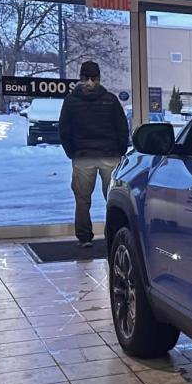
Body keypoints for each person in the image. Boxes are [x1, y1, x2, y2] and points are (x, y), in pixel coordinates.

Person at [59, 60, 129, 248]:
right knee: (113, 198)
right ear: (99, 78)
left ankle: (84, 238)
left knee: (82, 199)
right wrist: (120, 151)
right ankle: (113, 235)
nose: (90, 82)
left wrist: (72, 152)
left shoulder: (71, 101)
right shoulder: (110, 100)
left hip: (83, 156)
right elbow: (122, 128)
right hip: (110, 155)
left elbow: (64, 130)